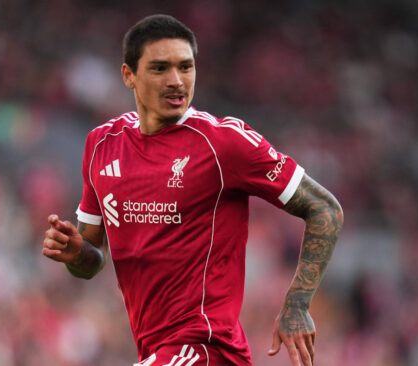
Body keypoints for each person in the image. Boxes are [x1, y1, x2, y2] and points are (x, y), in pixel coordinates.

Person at [42, 14, 343, 366]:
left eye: (186, 67)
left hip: (208, 351)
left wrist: (297, 303)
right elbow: (91, 261)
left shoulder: (223, 143)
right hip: (159, 352)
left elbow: (325, 207)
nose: (176, 81)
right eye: (160, 69)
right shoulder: (101, 145)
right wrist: (76, 253)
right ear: (129, 76)